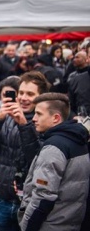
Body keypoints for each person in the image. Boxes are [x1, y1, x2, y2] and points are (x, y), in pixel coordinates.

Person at [0, 71, 49, 231]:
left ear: (41, 97)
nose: (23, 97)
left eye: (30, 94)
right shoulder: (5, 116)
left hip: (28, 202)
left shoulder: (46, 121)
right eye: (21, 92)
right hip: (2, 197)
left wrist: (24, 125)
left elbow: (36, 159)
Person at [18, 93, 90, 231]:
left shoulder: (54, 147)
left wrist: (27, 227)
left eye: (39, 114)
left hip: (50, 225)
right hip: (71, 222)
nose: (33, 119)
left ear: (55, 118)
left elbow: (43, 197)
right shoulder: (78, 140)